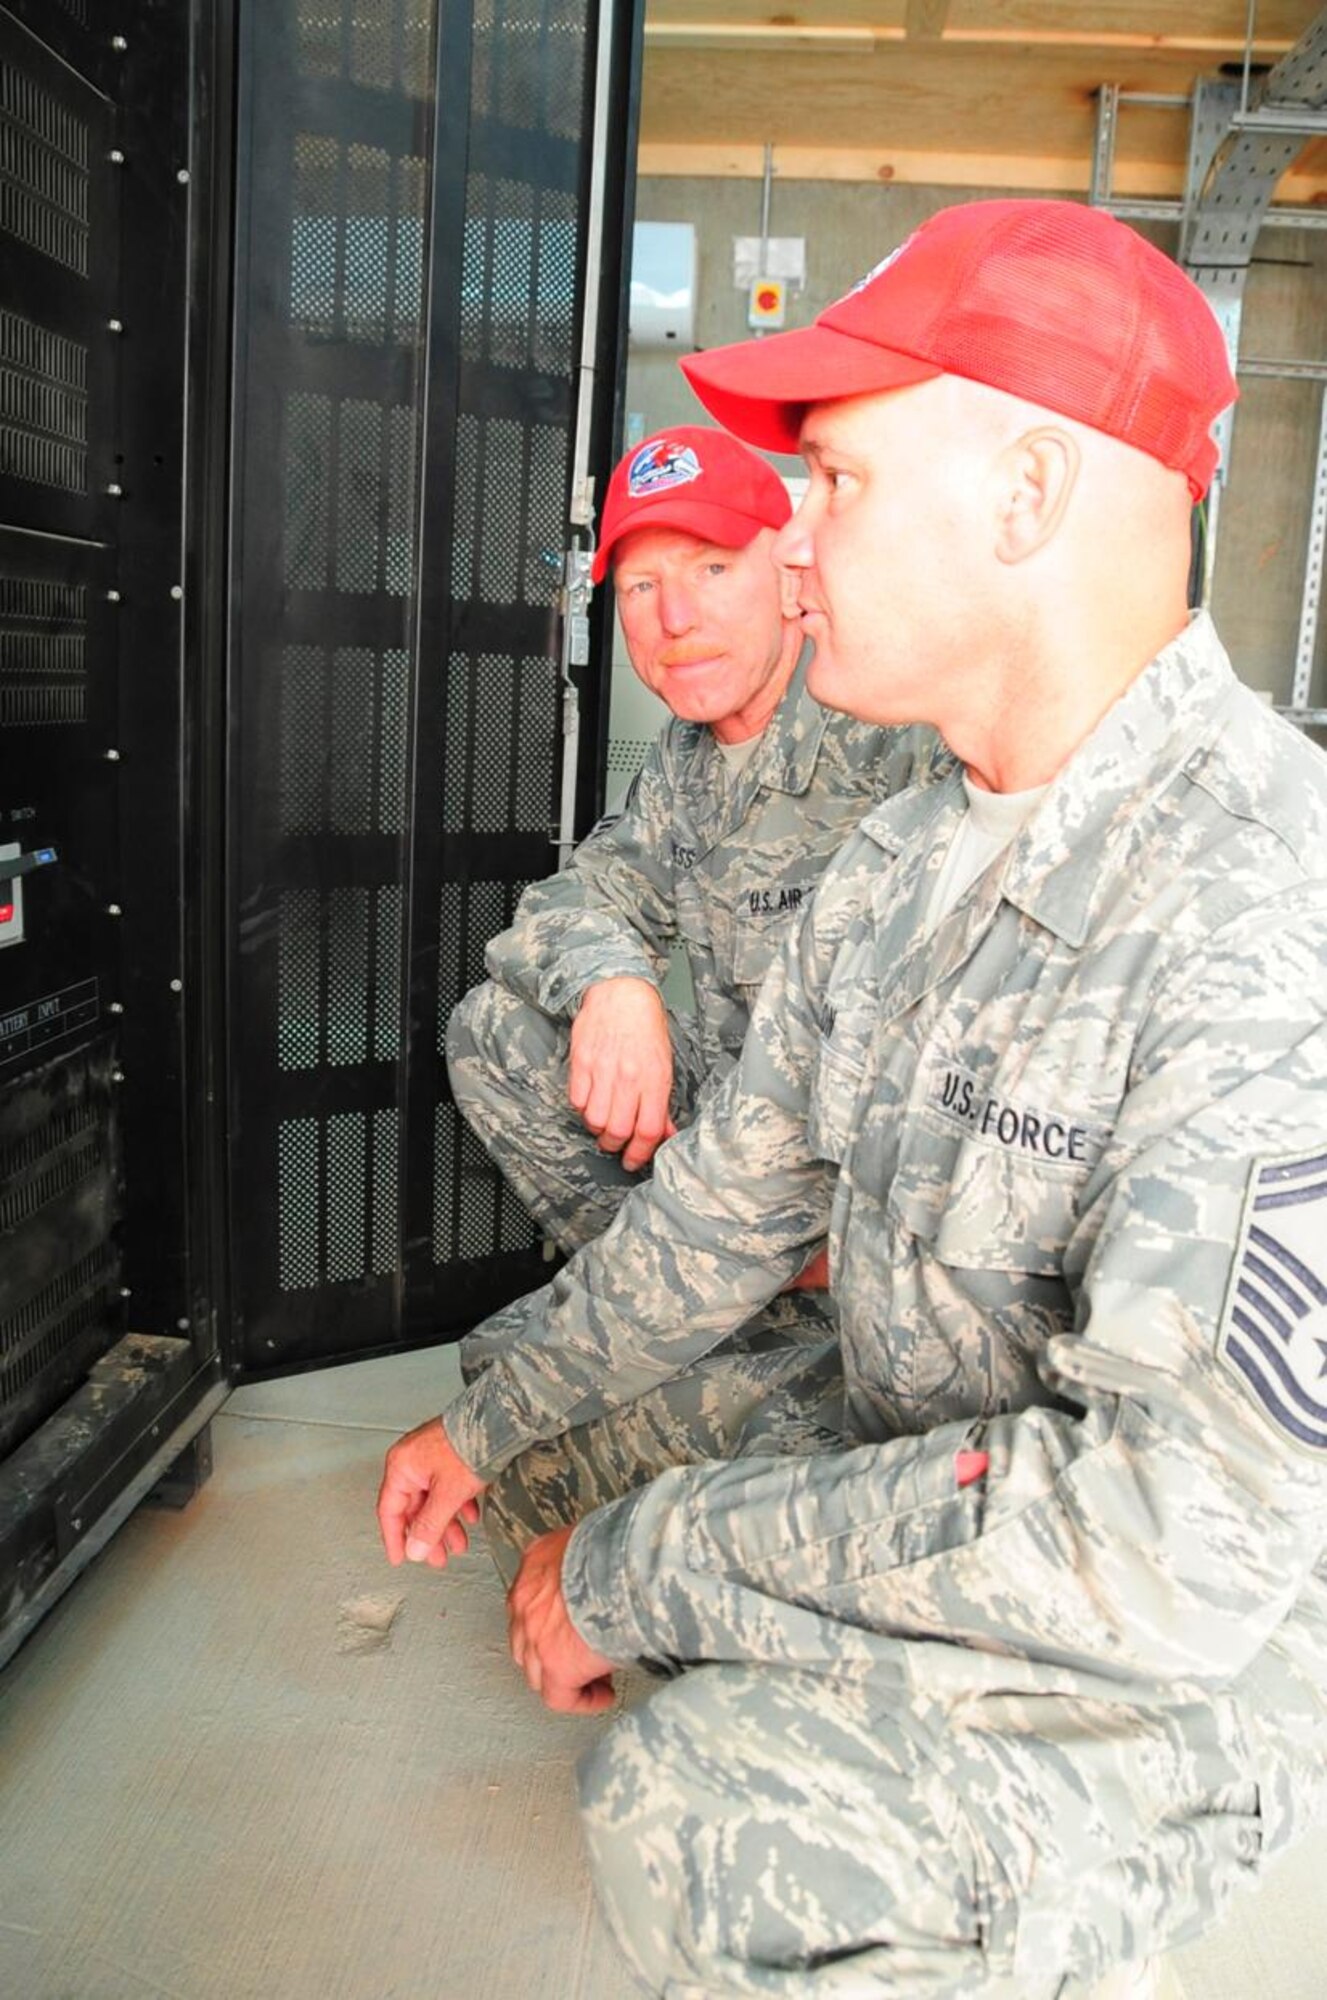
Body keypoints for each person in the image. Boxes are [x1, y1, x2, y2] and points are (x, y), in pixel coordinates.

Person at [379, 199, 1327, 1997]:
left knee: (697, 1817)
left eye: (836, 481)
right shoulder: (900, 864)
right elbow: (706, 1231)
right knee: (540, 1455)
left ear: (1025, 496)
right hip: (915, 1432)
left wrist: (655, 1568)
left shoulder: (1262, 905)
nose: (789, 541)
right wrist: (488, 1434)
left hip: (1166, 1645)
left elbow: (1154, 1550)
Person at [446, 424, 931, 1491]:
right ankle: (709, 1315)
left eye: (712, 570)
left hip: (885, 1223)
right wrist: (616, 986)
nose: (674, 619)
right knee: (496, 1026)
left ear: (787, 566)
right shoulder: (688, 761)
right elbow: (572, 898)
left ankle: (766, 1346)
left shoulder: (900, 738)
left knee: (531, 1460)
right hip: (742, 1184)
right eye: (640, 586)